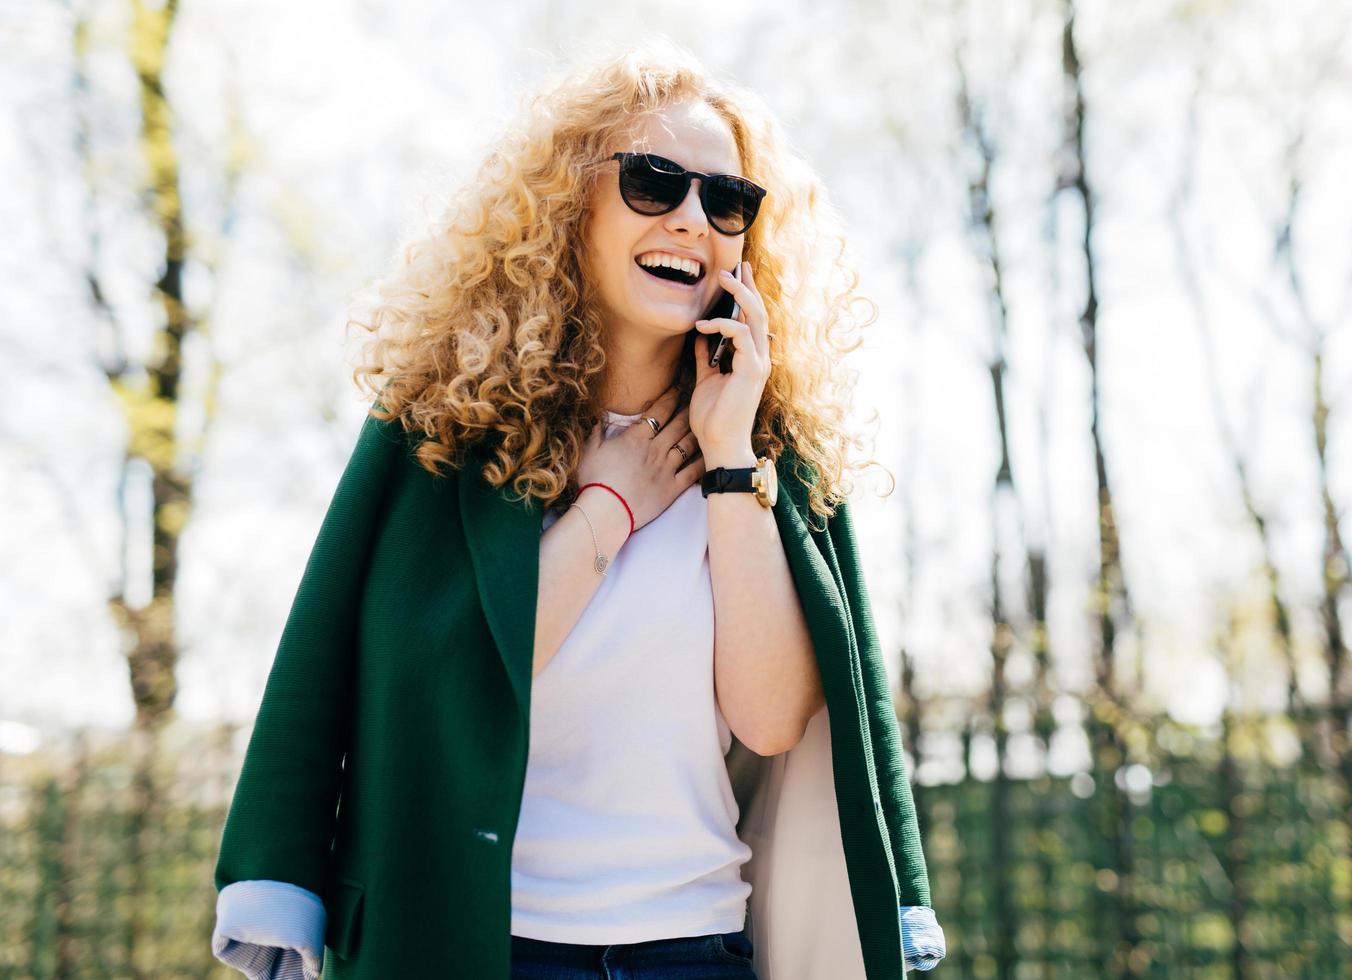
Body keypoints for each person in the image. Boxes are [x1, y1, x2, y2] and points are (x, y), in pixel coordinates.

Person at [210, 38, 947, 980]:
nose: (692, 219)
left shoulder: (766, 451)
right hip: (479, 952)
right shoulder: (442, 426)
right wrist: (608, 508)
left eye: (726, 200)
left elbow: (771, 721)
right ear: (568, 204)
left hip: (697, 955)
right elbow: (455, 675)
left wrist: (727, 458)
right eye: (653, 182)